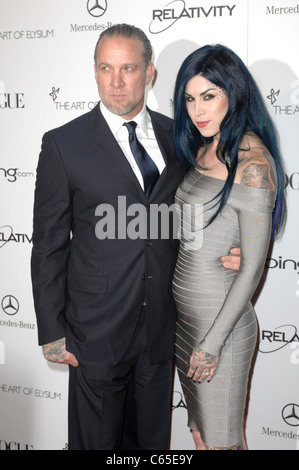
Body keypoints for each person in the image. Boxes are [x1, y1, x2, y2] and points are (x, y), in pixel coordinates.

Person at [31, 25, 240, 450]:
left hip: (161, 328)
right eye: (106, 68)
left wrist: (230, 249)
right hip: (95, 332)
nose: (116, 80)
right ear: (94, 72)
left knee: (151, 445)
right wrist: (52, 332)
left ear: (149, 73)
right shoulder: (63, 145)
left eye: (128, 68)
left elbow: (191, 216)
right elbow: (48, 247)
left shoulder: (179, 137)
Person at [172, 44, 285, 451]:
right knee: (202, 437)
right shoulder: (205, 145)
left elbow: (252, 267)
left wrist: (212, 345)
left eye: (209, 96)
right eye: (189, 98)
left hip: (220, 330)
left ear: (233, 94)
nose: (197, 110)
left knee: (223, 443)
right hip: (186, 324)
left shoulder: (253, 163)